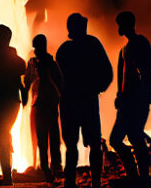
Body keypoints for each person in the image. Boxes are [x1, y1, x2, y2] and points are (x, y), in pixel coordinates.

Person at [55, 13, 113, 188]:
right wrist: (97, 88)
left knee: (77, 145)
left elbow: (57, 79)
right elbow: (107, 73)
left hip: (71, 103)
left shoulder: (65, 50)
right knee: (90, 143)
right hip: (85, 102)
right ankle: (92, 182)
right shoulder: (92, 45)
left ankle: (72, 182)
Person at [109, 11, 151, 186]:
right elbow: (124, 76)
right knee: (121, 139)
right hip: (127, 101)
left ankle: (142, 177)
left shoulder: (139, 44)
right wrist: (120, 96)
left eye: (120, 24)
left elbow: (145, 71)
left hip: (135, 100)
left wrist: (145, 94)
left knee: (133, 136)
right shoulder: (125, 49)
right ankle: (135, 176)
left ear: (128, 25)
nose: (119, 28)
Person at [0, 24, 26, 185]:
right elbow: (20, 80)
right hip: (10, 103)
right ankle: (2, 174)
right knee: (2, 136)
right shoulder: (15, 59)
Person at [24, 34, 62, 184]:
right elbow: (28, 80)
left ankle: (55, 165)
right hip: (39, 103)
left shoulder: (51, 64)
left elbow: (59, 81)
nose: (36, 50)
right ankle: (44, 166)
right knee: (41, 136)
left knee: (52, 134)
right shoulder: (34, 63)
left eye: (37, 47)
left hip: (48, 103)